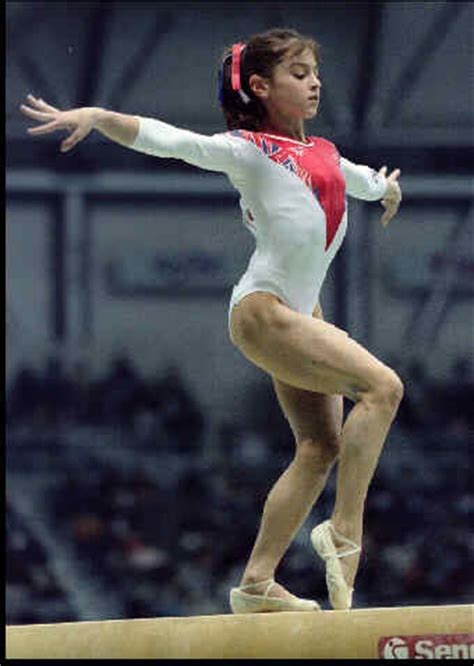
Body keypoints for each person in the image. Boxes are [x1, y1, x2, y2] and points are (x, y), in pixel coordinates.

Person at [20, 27, 403, 614]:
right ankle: (345, 531)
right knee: (383, 387)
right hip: (266, 309)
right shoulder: (247, 150)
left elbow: (360, 181)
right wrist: (98, 115)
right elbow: (170, 141)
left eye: (315, 72)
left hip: (298, 313)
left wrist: (385, 190)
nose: (315, 81)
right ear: (260, 87)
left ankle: (256, 583)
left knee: (319, 444)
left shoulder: (323, 152)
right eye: (298, 74)